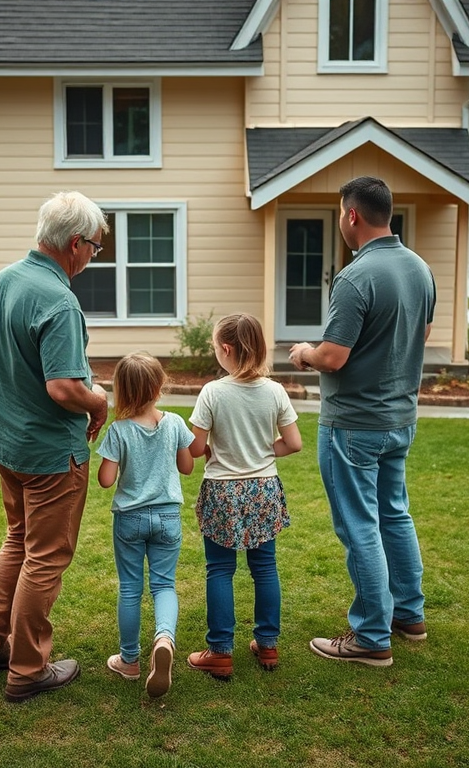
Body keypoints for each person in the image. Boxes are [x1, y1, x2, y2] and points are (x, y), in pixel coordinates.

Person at [0, 190, 110, 702]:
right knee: (45, 558)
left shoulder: (1, 281)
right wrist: (98, 403)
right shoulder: (58, 299)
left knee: (17, 540)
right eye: (94, 246)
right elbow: (64, 388)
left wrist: (13, 387)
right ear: (74, 244)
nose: (94, 256)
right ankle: (27, 670)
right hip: (51, 454)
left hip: (7, 444)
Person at [289, 176, 436, 667]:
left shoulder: (355, 277)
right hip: (400, 418)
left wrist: (304, 352)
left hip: (354, 424)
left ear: (351, 215)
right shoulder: (420, 269)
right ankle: (408, 615)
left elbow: (333, 356)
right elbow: (421, 331)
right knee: (394, 513)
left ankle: (372, 637)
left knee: (360, 526)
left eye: (338, 213)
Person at [185, 313, 302, 680]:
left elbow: (195, 448)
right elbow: (294, 443)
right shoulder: (275, 391)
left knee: (220, 569)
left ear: (226, 348)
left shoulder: (213, 392)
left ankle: (219, 652)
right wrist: (265, 453)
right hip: (263, 488)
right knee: (264, 568)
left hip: (222, 489)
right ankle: (267, 643)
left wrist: (210, 450)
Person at [96, 352, 195, 698]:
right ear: (159, 386)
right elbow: (187, 467)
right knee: (164, 585)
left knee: (130, 589)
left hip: (131, 519)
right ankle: (164, 638)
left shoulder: (119, 431)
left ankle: (129, 661)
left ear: (121, 391)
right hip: (168, 517)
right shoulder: (175, 424)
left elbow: (106, 480)